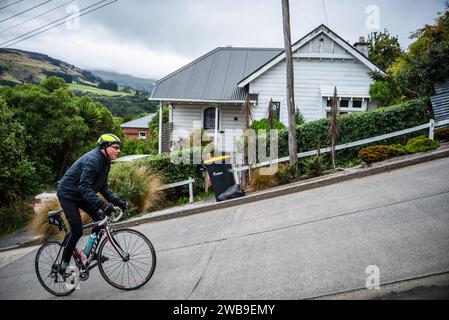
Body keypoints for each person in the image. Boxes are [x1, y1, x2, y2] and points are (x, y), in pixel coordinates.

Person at [55, 133, 128, 276]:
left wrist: (118, 202)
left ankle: (89, 252)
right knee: (77, 230)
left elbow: (103, 187)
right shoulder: (92, 160)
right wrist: (102, 204)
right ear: (104, 147)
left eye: (119, 148)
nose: (118, 150)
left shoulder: (106, 162)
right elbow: (84, 187)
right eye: (115, 147)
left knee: (99, 220)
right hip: (68, 194)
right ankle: (62, 266)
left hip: (82, 194)